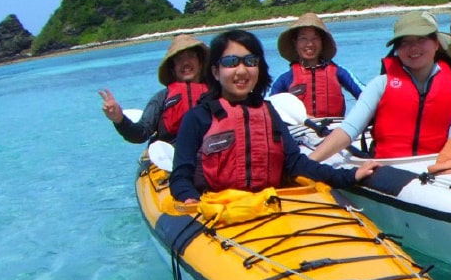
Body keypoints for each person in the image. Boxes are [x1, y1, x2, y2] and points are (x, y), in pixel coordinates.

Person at [168, 29, 369, 202]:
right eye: (230, 62)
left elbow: (296, 164)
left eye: (250, 61)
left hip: (269, 204)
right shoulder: (197, 118)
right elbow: (181, 176)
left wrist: (349, 176)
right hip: (220, 212)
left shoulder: (268, 112)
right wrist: (189, 199)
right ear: (215, 71)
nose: (241, 70)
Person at [310, 12, 451, 163]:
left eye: (421, 39)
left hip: (435, 169)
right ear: (397, 49)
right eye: (404, 43)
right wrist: (308, 163)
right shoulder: (380, 85)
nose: (413, 48)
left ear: (436, 44)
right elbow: (348, 130)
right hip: (386, 167)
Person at [100, 34, 210, 144]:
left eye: (191, 56)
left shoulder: (216, 92)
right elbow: (140, 134)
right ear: (172, 68)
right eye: (179, 59)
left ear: (200, 63)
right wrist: (119, 119)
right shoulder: (161, 99)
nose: (186, 63)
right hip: (175, 154)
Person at [267, 13, 362, 119]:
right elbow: (270, 108)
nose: (310, 44)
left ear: (322, 42)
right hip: (301, 132)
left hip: (335, 130)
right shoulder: (285, 79)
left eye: (315, 38)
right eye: (303, 39)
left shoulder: (339, 72)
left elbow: (366, 96)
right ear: (295, 43)